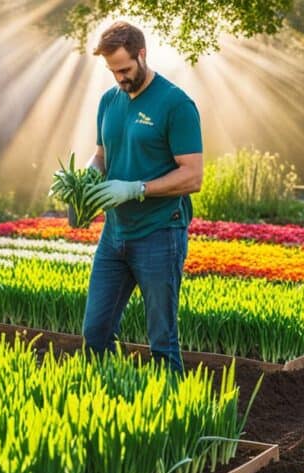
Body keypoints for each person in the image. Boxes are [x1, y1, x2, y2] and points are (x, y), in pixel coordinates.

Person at [80, 20, 203, 374]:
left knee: (162, 341)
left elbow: (192, 176)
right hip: (114, 235)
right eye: (112, 71)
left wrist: (137, 189)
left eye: (125, 69)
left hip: (159, 233)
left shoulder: (175, 104)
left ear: (142, 54)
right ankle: (108, 408)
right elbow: (102, 155)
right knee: (95, 334)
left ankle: (174, 419)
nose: (119, 78)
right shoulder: (109, 101)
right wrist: (87, 177)